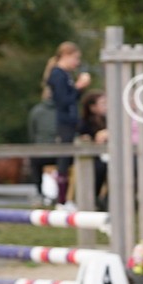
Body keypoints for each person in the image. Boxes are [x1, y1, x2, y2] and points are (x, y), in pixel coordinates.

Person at [45, 42, 91, 207]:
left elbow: (72, 99)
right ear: (65, 55)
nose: (77, 63)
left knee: (69, 159)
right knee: (63, 161)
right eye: (75, 58)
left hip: (70, 121)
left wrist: (79, 89)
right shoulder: (58, 75)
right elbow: (63, 101)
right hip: (63, 122)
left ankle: (67, 199)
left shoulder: (65, 74)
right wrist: (79, 87)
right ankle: (62, 200)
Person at [27, 85, 58, 206]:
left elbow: (32, 133)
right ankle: (41, 193)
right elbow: (32, 133)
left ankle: (42, 193)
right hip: (45, 151)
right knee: (35, 160)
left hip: (55, 151)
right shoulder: (37, 111)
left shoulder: (37, 111)